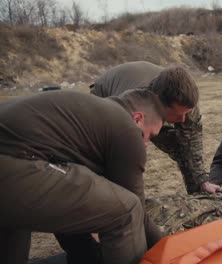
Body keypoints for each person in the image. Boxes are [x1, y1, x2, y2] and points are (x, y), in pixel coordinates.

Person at [0, 89, 165, 264]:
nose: (146, 144)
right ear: (138, 118)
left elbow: (68, 204)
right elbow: (135, 209)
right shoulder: (127, 128)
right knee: (126, 213)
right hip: (14, 162)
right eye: (149, 136)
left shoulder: (88, 119)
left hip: (14, 158)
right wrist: (165, 246)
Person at [90, 61, 220, 194]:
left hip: (153, 95)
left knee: (182, 150)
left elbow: (191, 143)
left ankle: (198, 193)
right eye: (177, 114)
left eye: (185, 114)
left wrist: (202, 180)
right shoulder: (131, 106)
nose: (182, 120)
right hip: (104, 94)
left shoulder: (185, 101)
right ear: (161, 105)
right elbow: (127, 155)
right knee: (112, 160)